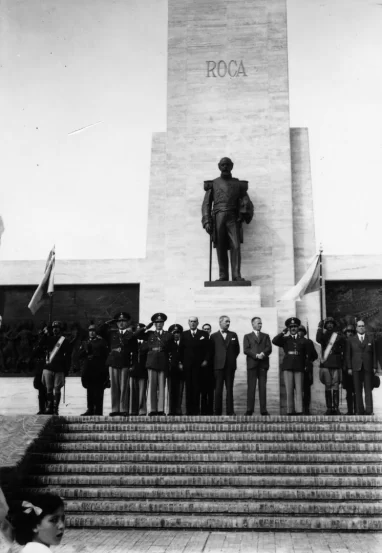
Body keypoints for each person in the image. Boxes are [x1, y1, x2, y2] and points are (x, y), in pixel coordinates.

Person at [201, 157, 253, 281]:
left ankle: (236, 275)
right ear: (219, 166)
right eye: (222, 165)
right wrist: (207, 220)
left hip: (233, 217)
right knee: (221, 246)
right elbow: (206, 204)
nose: (225, 167)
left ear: (231, 166)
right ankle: (223, 275)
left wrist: (244, 212)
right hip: (218, 216)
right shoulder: (213, 184)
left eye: (227, 165)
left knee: (235, 245)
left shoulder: (238, 184)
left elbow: (246, 200)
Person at [99, 312, 139, 417]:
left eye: (123, 321)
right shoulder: (112, 333)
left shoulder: (131, 335)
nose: (121, 323)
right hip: (113, 362)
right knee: (115, 387)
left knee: (124, 386)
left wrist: (133, 364)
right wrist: (109, 322)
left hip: (125, 362)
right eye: (119, 321)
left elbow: (135, 351)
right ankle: (115, 409)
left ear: (127, 322)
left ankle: (123, 409)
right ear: (116, 323)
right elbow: (99, 331)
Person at [272, 317, 309, 416]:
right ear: (288, 328)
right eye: (291, 327)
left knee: (299, 389)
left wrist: (306, 364)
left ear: (298, 328)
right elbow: (274, 341)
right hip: (288, 365)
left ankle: (299, 410)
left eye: (295, 326)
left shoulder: (303, 340)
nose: (293, 328)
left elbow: (308, 354)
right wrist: (283, 332)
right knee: (289, 389)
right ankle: (290, 410)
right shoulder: (285, 339)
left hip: (299, 365)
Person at [140, 313, 173, 416]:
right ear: (154, 324)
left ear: (163, 323)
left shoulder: (168, 335)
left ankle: (160, 409)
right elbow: (136, 335)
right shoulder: (149, 334)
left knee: (162, 387)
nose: (159, 324)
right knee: (152, 387)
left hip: (163, 361)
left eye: (160, 322)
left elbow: (171, 349)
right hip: (152, 361)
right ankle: (153, 409)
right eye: (157, 322)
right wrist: (146, 327)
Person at [38, 321, 71, 415]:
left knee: (57, 388)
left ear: (60, 329)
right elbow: (40, 344)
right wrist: (44, 334)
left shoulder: (64, 340)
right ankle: (49, 407)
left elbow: (68, 355)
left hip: (60, 367)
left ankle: (56, 408)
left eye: (57, 327)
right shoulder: (48, 338)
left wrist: (66, 369)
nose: (55, 329)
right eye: (53, 327)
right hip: (48, 366)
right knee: (48, 388)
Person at [209, 316, 240, 415]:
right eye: (226, 321)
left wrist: (231, 359)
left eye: (229, 322)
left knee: (229, 389)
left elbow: (237, 350)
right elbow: (211, 352)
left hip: (230, 366)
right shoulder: (213, 336)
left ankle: (230, 411)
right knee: (218, 389)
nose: (228, 323)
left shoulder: (233, 334)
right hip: (218, 366)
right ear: (220, 322)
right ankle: (217, 411)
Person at [346, 320, 377, 415]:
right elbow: (348, 355)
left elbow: (374, 354)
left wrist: (374, 366)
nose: (361, 327)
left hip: (367, 367)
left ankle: (369, 410)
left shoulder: (370, 339)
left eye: (363, 326)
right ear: (356, 328)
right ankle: (360, 410)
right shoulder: (351, 340)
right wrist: (349, 367)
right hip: (356, 367)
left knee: (368, 389)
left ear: (365, 327)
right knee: (357, 389)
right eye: (359, 326)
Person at [179, 317, 209, 415]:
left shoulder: (203, 334)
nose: (193, 323)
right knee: (188, 388)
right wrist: (180, 362)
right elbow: (181, 350)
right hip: (187, 366)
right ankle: (189, 411)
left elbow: (208, 350)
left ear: (197, 323)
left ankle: (196, 410)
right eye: (191, 321)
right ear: (188, 323)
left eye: (194, 322)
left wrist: (206, 360)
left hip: (199, 366)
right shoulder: (184, 334)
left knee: (197, 388)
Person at [316, 317, 346, 415]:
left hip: (336, 363)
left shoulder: (338, 335)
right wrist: (319, 328)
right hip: (326, 363)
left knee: (336, 384)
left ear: (334, 325)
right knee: (328, 385)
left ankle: (336, 408)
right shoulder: (323, 336)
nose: (329, 325)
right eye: (327, 323)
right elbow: (318, 339)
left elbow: (344, 346)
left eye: (331, 323)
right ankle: (329, 408)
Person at [243, 316, 272, 416]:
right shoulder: (247, 336)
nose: (260, 325)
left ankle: (263, 410)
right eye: (258, 323)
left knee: (262, 387)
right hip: (252, 364)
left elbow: (269, 348)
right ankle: (249, 409)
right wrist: (256, 355)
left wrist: (262, 354)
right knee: (251, 387)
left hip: (263, 364)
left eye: (261, 323)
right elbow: (246, 350)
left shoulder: (266, 336)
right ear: (253, 324)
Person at [79, 322, 109, 416]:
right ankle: (90, 409)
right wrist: (86, 350)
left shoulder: (101, 342)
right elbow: (80, 355)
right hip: (89, 371)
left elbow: (105, 356)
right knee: (90, 391)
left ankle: (98, 411)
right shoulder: (86, 342)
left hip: (99, 370)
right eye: (90, 331)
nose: (91, 333)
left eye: (93, 331)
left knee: (98, 392)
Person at [297, 325, 318, 415]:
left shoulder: (309, 342)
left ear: (304, 332)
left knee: (306, 390)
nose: (300, 332)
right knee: (298, 389)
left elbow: (315, 355)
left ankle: (306, 408)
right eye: (299, 331)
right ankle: (299, 408)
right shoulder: (295, 342)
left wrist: (309, 361)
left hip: (307, 369)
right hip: (298, 368)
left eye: (302, 331)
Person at [129, 323, 149, 416]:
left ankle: (142, 410)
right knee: (133, 391)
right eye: (137, 329)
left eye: (140, 329)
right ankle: (133, 410)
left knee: (142, 392)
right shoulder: (132, 340)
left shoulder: (147, 340)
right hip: (133, 369)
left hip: (143, 369)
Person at [168, 324, 184, 416]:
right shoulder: (168, 344)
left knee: (180, 391)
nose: (176, 335)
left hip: (181, 372)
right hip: (171, 371)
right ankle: (171, 410)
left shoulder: (183, 344)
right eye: (174, 333)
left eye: (178, 332)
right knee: (171, 391)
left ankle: (178, 409)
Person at [342, 324, 356, 415]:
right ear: (345, 333)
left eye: (351, 332)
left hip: (355, 369)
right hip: (345, 370)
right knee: (348, 391)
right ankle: (350, 410)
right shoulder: (343, 343)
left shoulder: (356, 342)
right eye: (348, 332)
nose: (350, 333)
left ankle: (357, 409)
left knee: (356, 391)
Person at [201, 323, 214, 415]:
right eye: (204, 329)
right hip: (202, 369)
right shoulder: (199, 341)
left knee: (211, 391)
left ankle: (210, 410)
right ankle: (203, 410)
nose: (206, 330)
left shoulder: (213, 340)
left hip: (212, 369)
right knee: (203, 391)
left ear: (210, 330)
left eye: (208, 329)